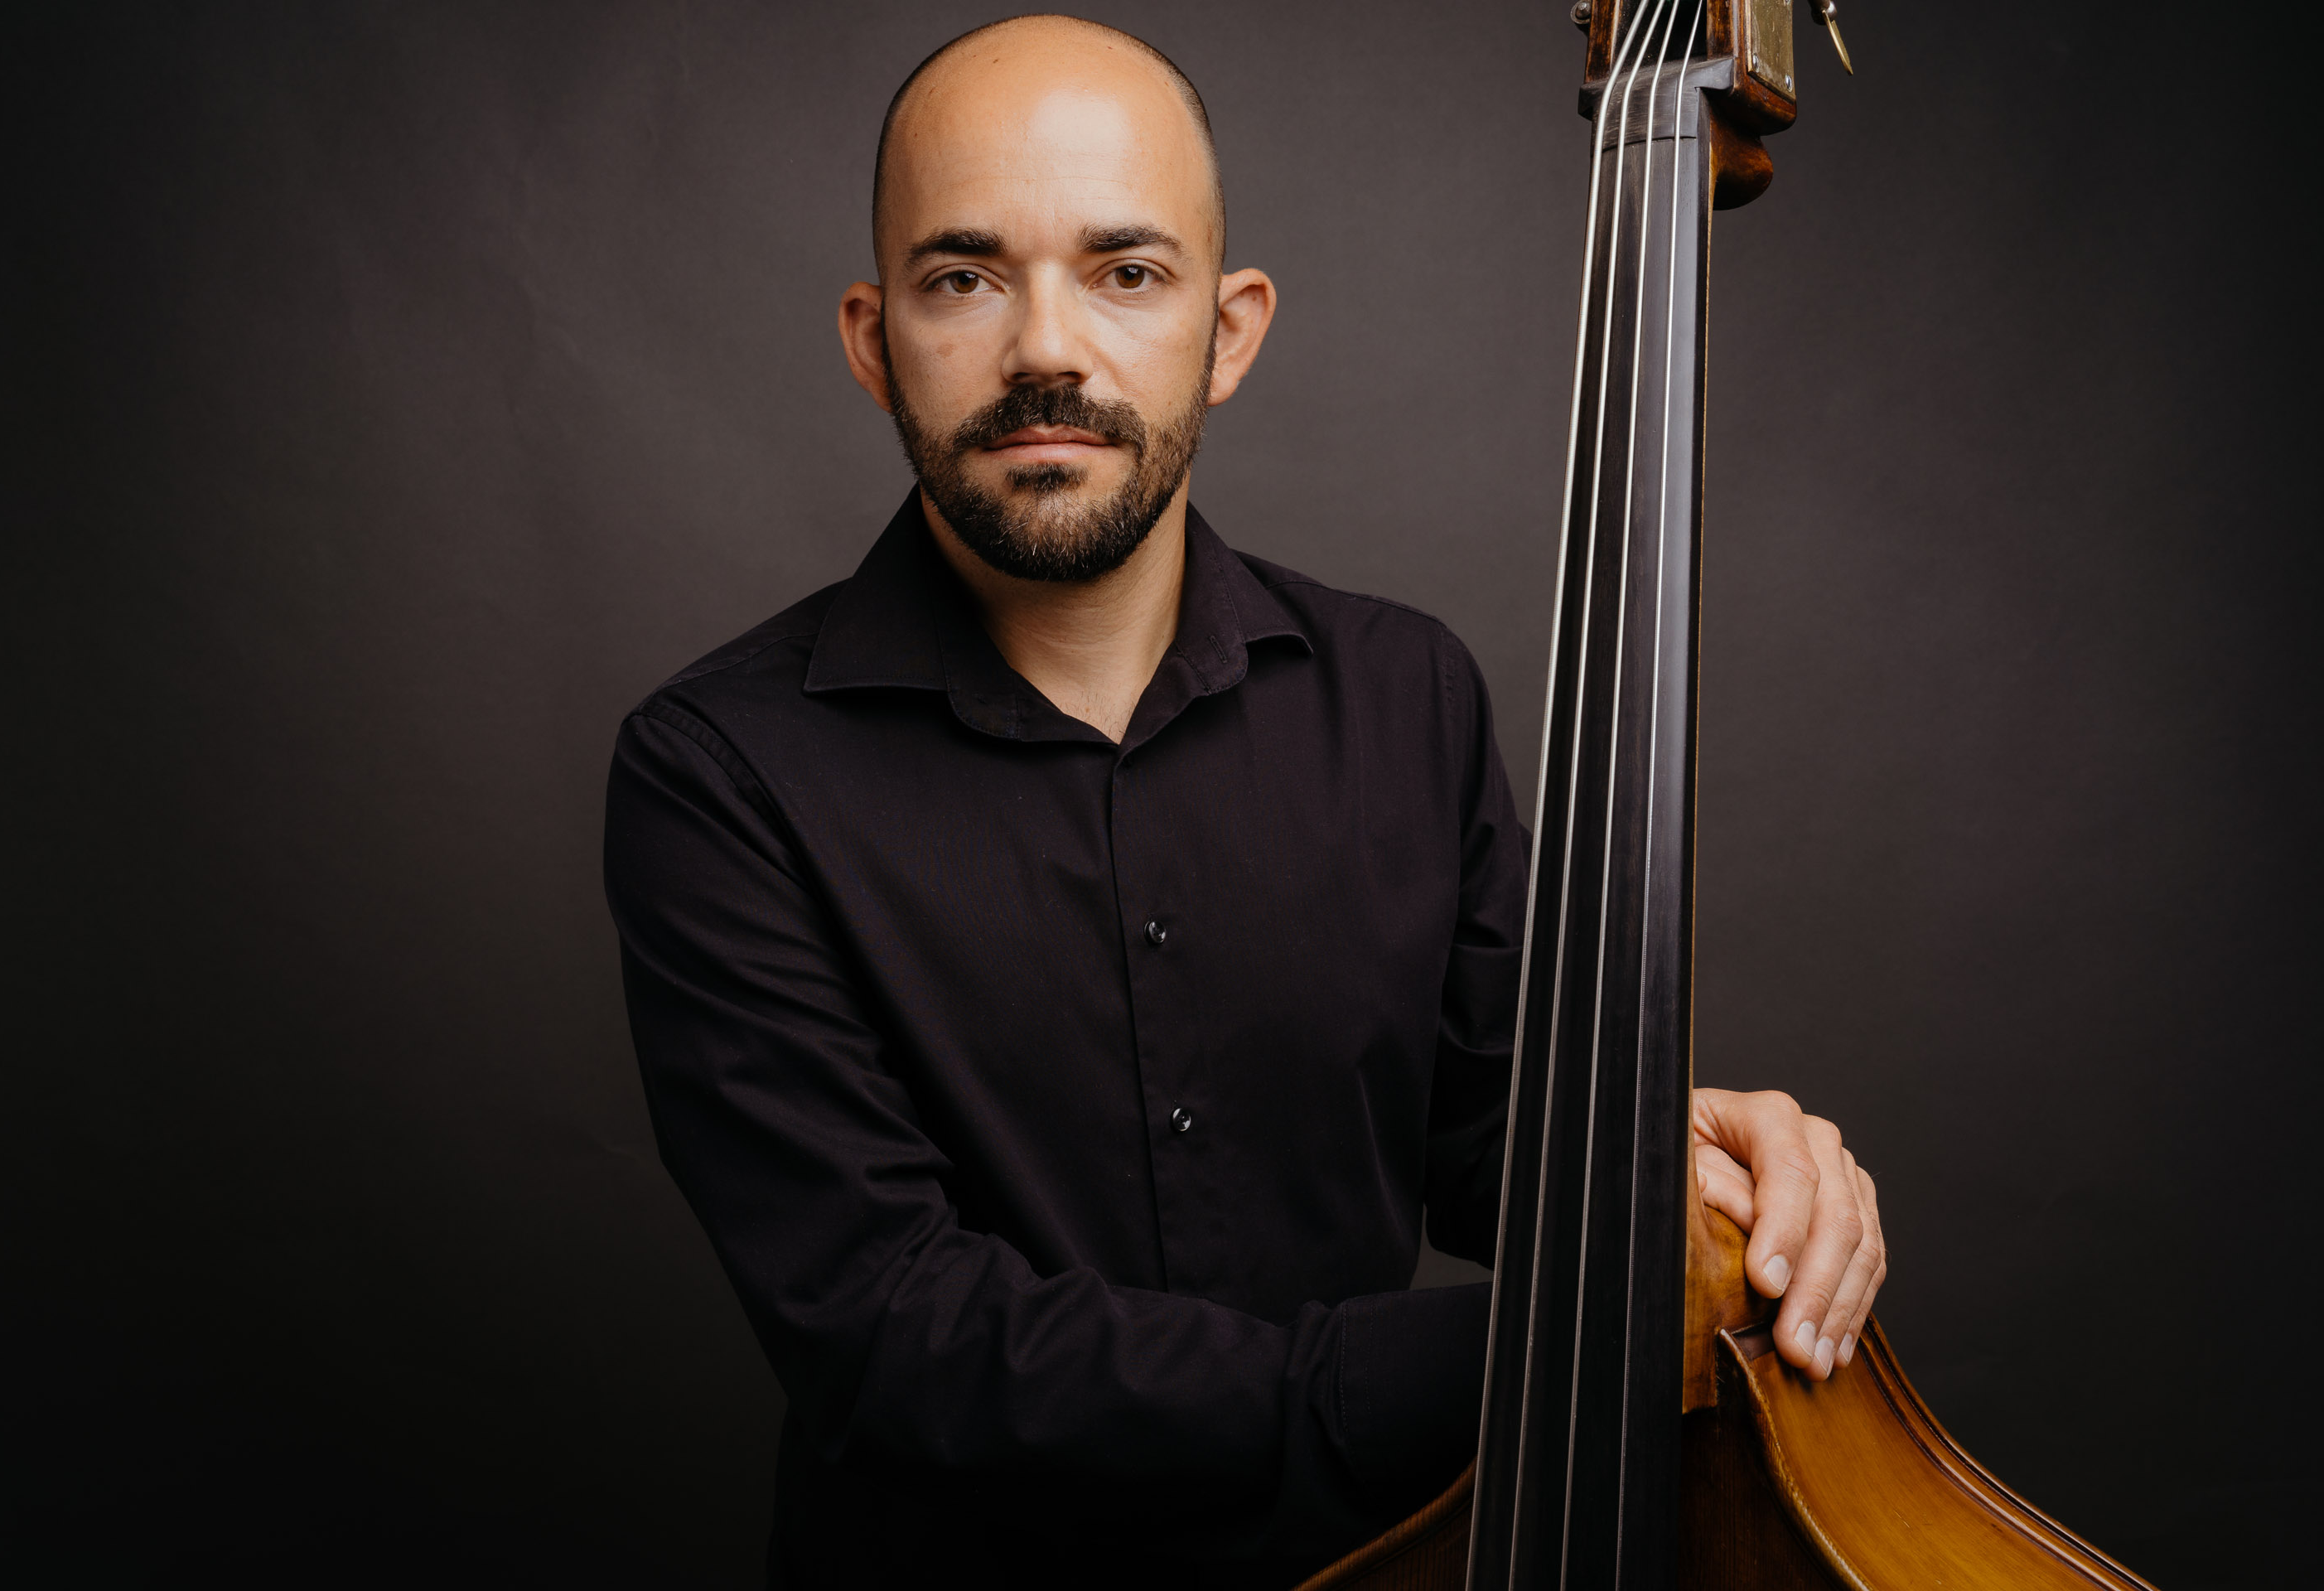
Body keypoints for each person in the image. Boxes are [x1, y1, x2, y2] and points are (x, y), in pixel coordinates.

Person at [602, 15, 1885, 1588]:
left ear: (1230, 330)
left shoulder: (1407, 693)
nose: (1046, 350)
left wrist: (1700, 1181)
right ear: (875, 339)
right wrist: (1535, 1351)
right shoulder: (718, 773)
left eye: (1127, 272)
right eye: (965, 278)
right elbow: (900, 1341)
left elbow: (1499, 1145)